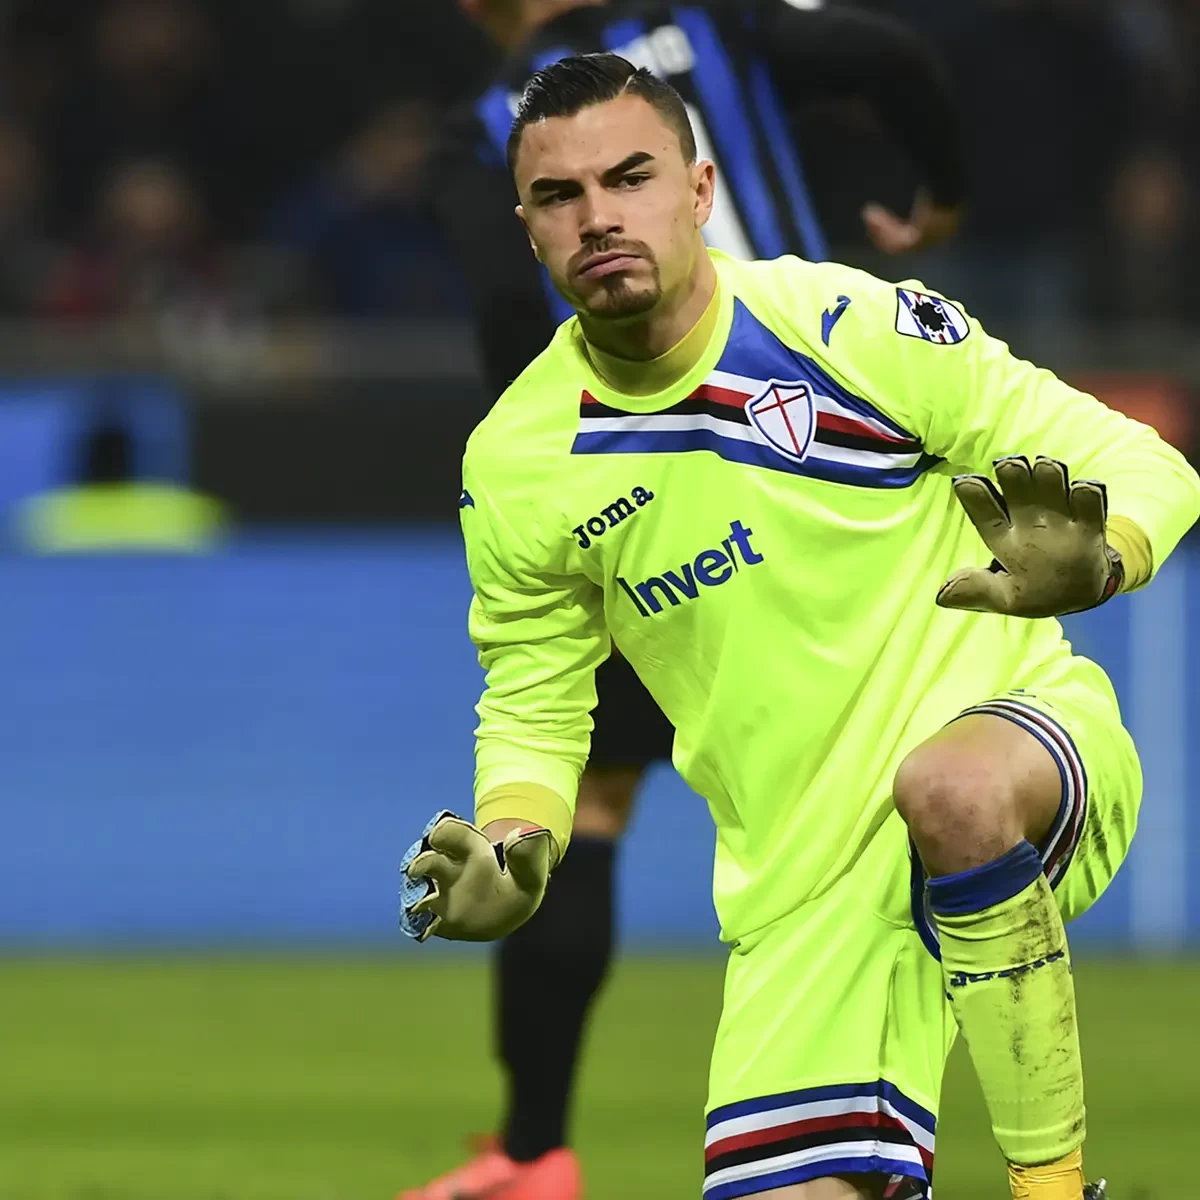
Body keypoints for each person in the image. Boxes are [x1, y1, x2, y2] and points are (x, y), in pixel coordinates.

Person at [401, 54, 1200, 1200]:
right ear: (527, 229)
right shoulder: (520, 460)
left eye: (630, 177)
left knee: (950, 791)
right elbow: (535, 694)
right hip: (803, 901)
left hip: (1020, 746)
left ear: (699, 190)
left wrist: (1105, 556)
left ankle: (1053, 1188)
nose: (598, 216)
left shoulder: (845, 325)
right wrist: (514, 841)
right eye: (559, 196)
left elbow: (1140, 459)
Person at [419, 4, 966, 1196]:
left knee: (586, 803)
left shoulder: (485, 128)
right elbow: (893, 57)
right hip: (840, 452)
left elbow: (508, 313)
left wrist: (554, 459)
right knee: (906, 783)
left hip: (641, 488)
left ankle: (534, 1152)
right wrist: (941, 198)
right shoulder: (713, 26)